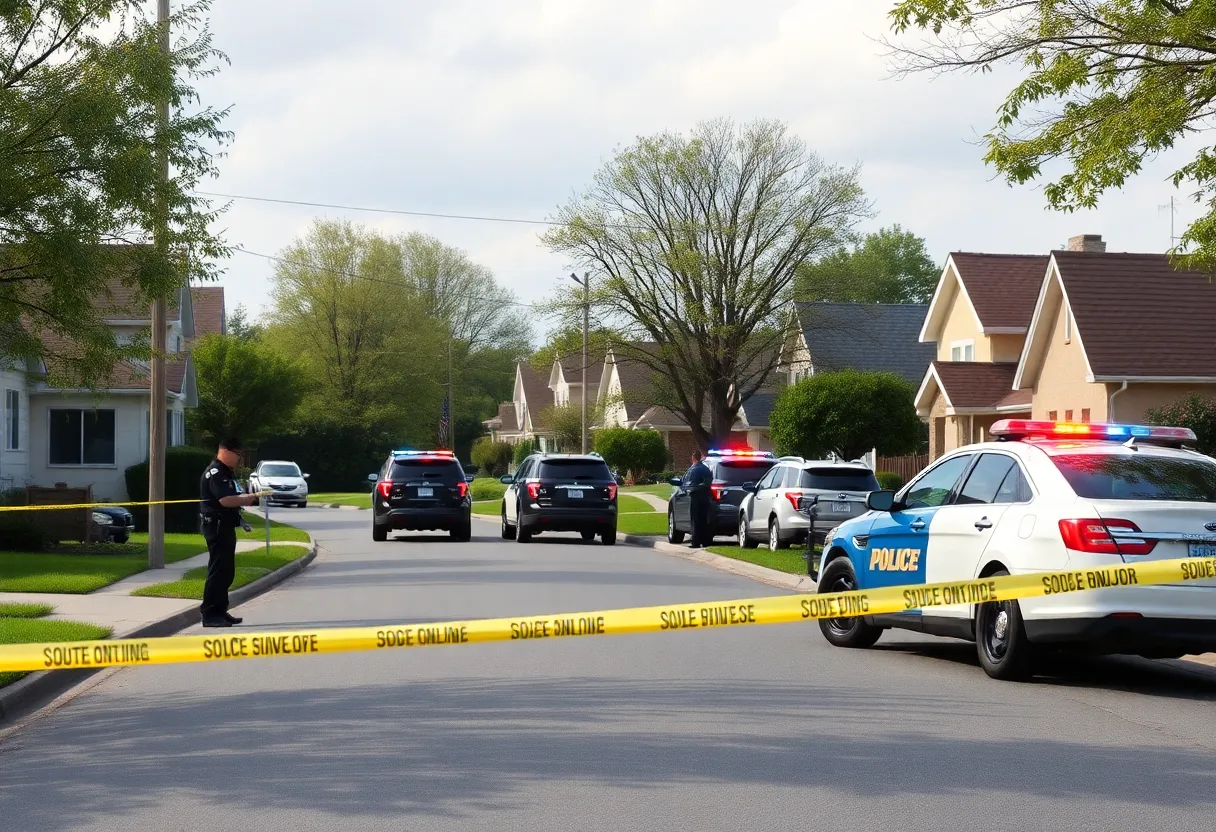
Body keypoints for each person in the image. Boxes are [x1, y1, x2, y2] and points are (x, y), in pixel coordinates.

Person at [199, 437, 258, 628]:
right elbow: (225, 500)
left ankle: (220, 611)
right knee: (218, 571)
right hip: (216, 526)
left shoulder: (226, 472)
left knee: (226, 571)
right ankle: (209, 614)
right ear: (225, 451)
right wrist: (248, 499)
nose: (239, 458)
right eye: (237, 453)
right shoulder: (215, 472)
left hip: (225, 525)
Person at [685, 449, 713, 548]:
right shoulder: (705, 468)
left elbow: (688, 483)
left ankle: (696, 542)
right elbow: (709, 481)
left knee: (695, 520)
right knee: (704, 519)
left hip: (695, 496)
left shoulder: (694, 469)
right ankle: (705, 541)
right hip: (705, 496)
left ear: (693, 458)